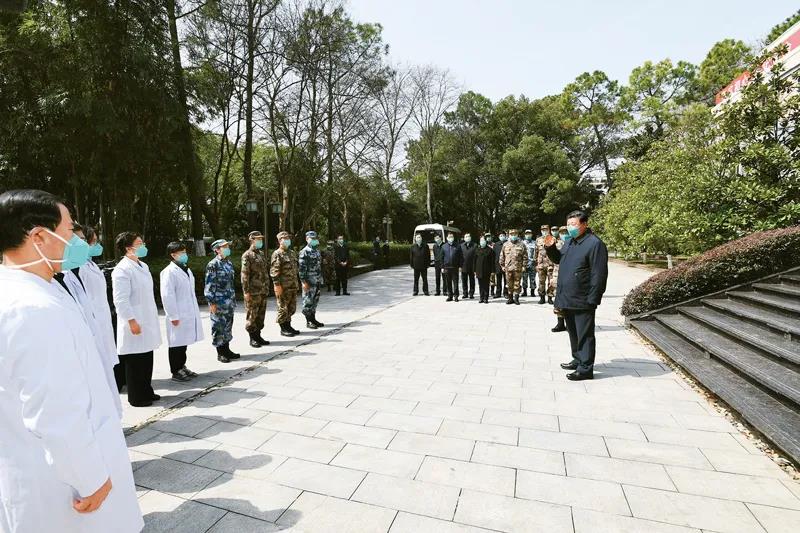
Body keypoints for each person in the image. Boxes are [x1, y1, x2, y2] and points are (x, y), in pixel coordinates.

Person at [0, 190, 143, 533]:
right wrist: (89, 477)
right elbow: (54, 408)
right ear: (38, 237)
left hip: (47, 464)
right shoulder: (31, 307)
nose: (75, 241)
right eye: (68, 231)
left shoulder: (35, 289)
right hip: (65, 485)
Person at [545, 210, 609, 381]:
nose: (570, 227)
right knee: (573, 331)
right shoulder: (570, 242)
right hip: (567, 296)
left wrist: (594, 298)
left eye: (574, 224)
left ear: (584, 224)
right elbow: (559, 259)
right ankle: (578, 358)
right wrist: (550, 248)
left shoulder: (595, 244)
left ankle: (586, 368)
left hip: (583, 298)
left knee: (584, 334)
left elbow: (599, 274)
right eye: (568, 224)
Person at [112, 231, 162, 407]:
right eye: (139, 244)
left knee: (146, 357)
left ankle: (146, 390)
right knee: (135, 360)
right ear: (128, 248)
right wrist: (131, 320)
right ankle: (136, 397)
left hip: (146, 318)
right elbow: (120, 300)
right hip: (133, 320)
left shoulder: (143, 266)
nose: (143, 246)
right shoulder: (122, 270)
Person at [77, 224, 122, 414]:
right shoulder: (79, 269)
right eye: (93, 242)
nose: (97, 245)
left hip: (103, 319)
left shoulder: (91, 264)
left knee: (107, 367)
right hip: (93, 323)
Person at [160, 242, 204, 382]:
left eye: (185, 252)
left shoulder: (186, 269)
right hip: (177, 313)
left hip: (187, 311)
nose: (185, 255)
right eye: (181, 253)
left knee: (183, 342)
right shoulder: (169, 272)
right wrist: (173, 315)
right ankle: (176, 370)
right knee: (176, 343)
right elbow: (167, 295)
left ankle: (182, 366)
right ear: (173, 255)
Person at [204, 239, 240, 364]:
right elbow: (209, 284)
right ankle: (220, 353)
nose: (227, 248)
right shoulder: (213, 264)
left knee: (228, 327)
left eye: (227, 246)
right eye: (224, 247)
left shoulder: (228, 263)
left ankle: (227, 350)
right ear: (217, 250)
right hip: (218, 302)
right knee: (218, 327)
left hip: (229, 301)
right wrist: (211, 302)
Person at [241, 231, 270, 348]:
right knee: (252, 315)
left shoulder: (261, 254)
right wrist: (246, 291)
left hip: (262, 290)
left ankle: (258, 336)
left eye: (261, 239)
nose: (260, 241)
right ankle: (252, 338)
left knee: (261, 315)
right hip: (253, 291)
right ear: (252, 240)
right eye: (258, 239)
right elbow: (245, 275)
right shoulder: (247, 255)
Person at [271, 230, 300, 337]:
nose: (288, 240)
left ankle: (288, 326)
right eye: (285, 238)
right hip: (283, 286)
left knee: (291, 308)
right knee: (283, 308)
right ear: (280, 241)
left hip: (292, 285)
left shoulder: (291, 253)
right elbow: (274, 272)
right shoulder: (277, 254)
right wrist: (277, 285)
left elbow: (295, 269)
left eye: (288, 238)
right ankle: (283, 328)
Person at [299, 230, 325, 330]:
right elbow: (301, 269)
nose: (314, 240)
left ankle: (313, 319)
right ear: (307, 239)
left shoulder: (317, 251)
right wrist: (304, 282)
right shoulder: (304, 251)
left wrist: (321, 278)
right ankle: (308, 321)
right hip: (309, 281)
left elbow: (319, 266)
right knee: (308, 301)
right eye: (312, 238)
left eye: (315, 238)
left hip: (317, 280)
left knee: (315, 300)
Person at [499, 229, 528, 305]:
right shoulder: (505, 244)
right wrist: (502, 265)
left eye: (515, 234)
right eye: (512, 234)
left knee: (517, 283)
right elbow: (502, 256)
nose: (513, 236)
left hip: (518, 268)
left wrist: (524, 266)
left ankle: (516, 298)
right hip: (508, 268)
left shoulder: (521, 244)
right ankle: (510, 298)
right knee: (509, 284)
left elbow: (525, 256)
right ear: (509, 235)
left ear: (517, 235)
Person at [551, 227, 568, 333]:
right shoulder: (556, 245)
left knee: (570, 299)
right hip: (557, 275)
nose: (564, 234)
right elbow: (551, 260)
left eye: (566, 232)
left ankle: (570, 324)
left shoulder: (574, 244)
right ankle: (560, 323)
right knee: (558, 299)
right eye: (562, 233)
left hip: (570, 276)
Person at [535, 224, 556, 304]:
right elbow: (536, 252)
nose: (544, 231)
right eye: (543, 230)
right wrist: (536, 263)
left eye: (546, 230)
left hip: (550, 264)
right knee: (541, 282)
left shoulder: (553, 239)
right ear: (541, 231)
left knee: (551, 282)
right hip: (541, 265)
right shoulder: (538, 240)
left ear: (549, 230)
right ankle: (542, 297)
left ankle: (550, 297)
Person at [441, 232, 463, 302]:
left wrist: (460, 266)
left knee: (455, 282)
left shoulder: (457, 246)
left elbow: (461, 257)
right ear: (447, 238)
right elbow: (441, 257)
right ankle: (450, 296)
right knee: (448, 282)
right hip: (447, 267)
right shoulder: (444, 246)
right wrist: (442, 267)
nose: (451, 238)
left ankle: (456, 296)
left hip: (455, 267)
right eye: (449, 237)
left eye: (452, 237)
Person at [475, 235, 495, 303]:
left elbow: (492, 262)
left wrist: (492, 271)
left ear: (486, 241)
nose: (482, 242)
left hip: (487, 270)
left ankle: (486, 298)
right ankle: (481, 297)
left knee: (486, 284)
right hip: (479, 270)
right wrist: (474, 270)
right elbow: (474, 261)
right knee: (480, 285)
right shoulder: (477, 249)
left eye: (483, 240)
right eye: (481, 240)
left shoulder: (490, 250)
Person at [460, 232, 477, 299]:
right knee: (464, 281)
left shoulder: (475, 245)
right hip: (463, 266)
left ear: (470, 237)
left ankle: (471, 293)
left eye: (468, 236)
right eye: (466, 236)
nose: (467, 238)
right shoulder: (461, 246)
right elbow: (459, 256)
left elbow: (476, 257)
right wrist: (459, 266)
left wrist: (475, 267)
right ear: (464, 238)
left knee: (472, 281)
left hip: (472, 266)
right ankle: (465, 293)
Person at [521, 229, 537, 297]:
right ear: (525, 235)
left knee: (532, 278)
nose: (528, 235)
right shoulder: (522, 243)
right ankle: (524, 292)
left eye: (529, 234)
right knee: (524, 278)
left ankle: (532, 292)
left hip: (532, 263)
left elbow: (536, 253)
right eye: (527, 234)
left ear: (532, 235)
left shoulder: (535, 243)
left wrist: (535, 261)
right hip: (524, 264)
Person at [492, 232, 506, 298]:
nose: (502, 237)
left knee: (506, 280)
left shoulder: (508, 243)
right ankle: (498, 293)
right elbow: (493, 255)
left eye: (503, 235)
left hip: (506, 265)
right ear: (498, 237)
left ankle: (506, 293)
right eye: (500, 236)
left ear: (505, 236)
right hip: (497, 265)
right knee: (498, 280)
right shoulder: (496, 244)